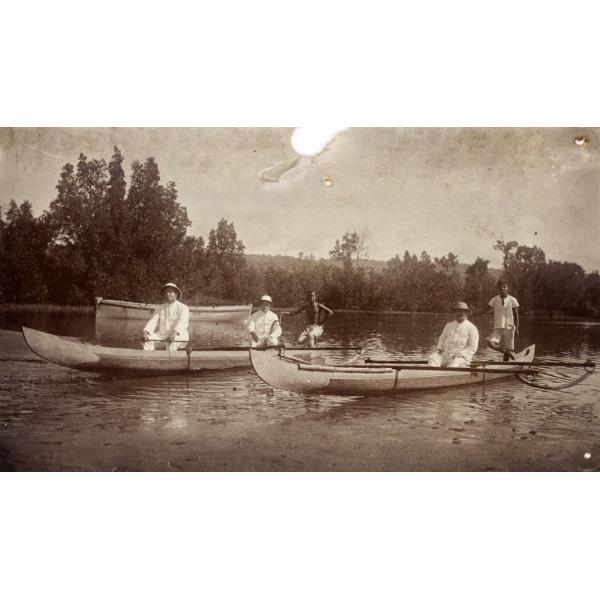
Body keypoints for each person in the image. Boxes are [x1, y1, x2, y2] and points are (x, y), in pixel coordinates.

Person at [428, 301, 479, 368]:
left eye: (462, 311)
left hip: (460, 358)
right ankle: (432, 376)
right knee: (432, 357)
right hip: (446, 355)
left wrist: (460, 354)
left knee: (454, 364)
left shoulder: (472, 328)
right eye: (457, 311)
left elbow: (472, 347)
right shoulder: (448, 325)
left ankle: (445, 375)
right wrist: (439, 349)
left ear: (466, 313)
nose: (459, 313)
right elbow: (442, 339)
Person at [143, 283, 189, 351]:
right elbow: (153, 321)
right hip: (163, 335)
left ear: (176, 294)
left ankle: (170, 360)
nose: (167, 294)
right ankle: (149, 358)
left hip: (179, 335)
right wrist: (146, 331)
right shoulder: (160, 307)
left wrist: (174, 333)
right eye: (166, 292)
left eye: (170, 292)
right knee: (147, 339)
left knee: (172, 341)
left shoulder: (183, 307)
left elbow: (183, 322)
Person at [486, 278, 520, 360]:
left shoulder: (512, 300)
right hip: (498, 327)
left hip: (510, 328)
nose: (502, 289)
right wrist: (474, 314)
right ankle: (506, 352)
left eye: (504, 287)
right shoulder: (495, 299)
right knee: (491, 343)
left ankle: (506, 364)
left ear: (507, 288)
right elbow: (485, 309)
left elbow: (516, 314)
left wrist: (517, 328)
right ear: (498, 288)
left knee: (508, 352)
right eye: (500, 287)